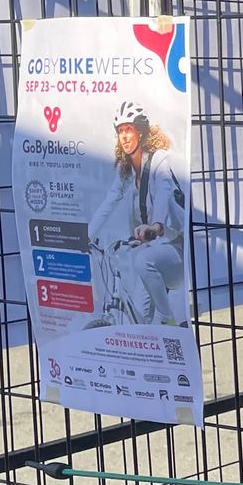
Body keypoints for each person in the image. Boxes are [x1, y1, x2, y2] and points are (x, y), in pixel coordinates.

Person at [90, 99, 189, 325]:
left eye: (129, 130)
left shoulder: (159, 160)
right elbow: (109, 201)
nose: (124, 136)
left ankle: (168, 320)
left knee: (143, 261)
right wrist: (86, 234)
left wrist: (156, 225)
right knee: (139, 319)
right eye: (120, 131)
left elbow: (164, 191)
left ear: (141, 133)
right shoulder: (126, 170)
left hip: (177, 250)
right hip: (153, 250)